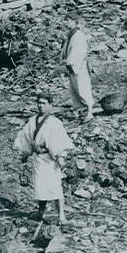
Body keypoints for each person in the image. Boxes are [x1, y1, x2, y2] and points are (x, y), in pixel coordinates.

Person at [13, 93, 75, 229]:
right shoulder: (32, 120)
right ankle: (41, 213)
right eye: (39, 103)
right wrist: (25, 153)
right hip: (38, 159)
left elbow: (58, 141)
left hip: (50, 159)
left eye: (44, 103)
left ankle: (61, 216)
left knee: (55, 187)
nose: (41, 105)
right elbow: (26, 137)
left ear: (50, 105)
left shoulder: (55, 123)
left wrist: (60, 157)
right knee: (40, 188)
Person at [62, 13, 95, 122]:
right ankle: (80, 110)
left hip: (79, 66)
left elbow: (78, 52)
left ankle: (89, 111)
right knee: (75, 89)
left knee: (83, 88)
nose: (65, 23)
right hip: (72, 66)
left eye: (67, 20)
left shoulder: (79, 36)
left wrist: (71, 63)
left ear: (73, 21)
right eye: (65, 20)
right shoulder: (71, 35)